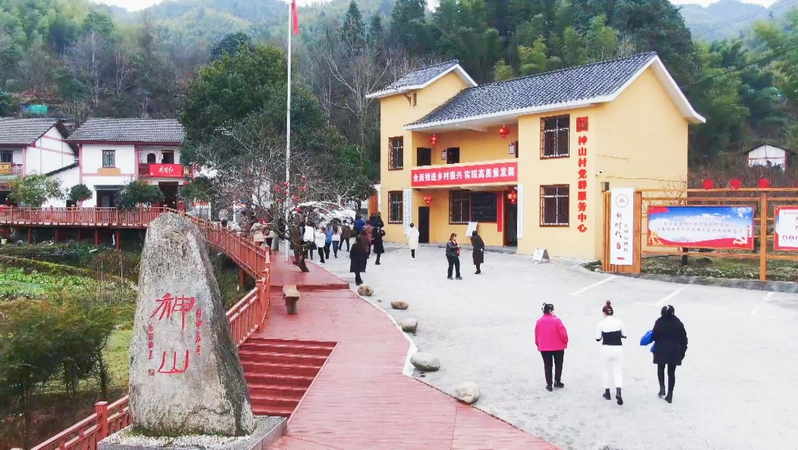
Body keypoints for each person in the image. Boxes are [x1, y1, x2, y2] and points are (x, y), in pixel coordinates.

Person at [652, 305, 688, 403]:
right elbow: (684, 339)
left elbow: (654, 336)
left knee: (660, 369)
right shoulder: (678, 323)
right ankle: (670, 394)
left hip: (661, 350)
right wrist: (682, 352)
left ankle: (662, 388)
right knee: (671, 373)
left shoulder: (659, 322)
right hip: (674, 352)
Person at [596, 301, 627, 405]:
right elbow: (625, 335)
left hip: (606, 348)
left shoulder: (601, 323)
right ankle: (618, 391)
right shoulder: (619, 322)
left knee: (606, 370)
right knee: (618, 370)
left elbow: (597, 338)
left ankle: (607, 392)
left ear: (604, 313)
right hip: (618, 348)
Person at [535, 303, 569, 392]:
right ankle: (557, 381)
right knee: (558, 364)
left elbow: (537, 334)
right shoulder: (557, 320)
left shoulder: (539, 321)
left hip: (544, 347)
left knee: (547, 365)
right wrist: (565, 341)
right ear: (550, 310)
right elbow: (563, 333)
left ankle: (549, 384)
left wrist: (538, 344)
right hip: (558, 346)